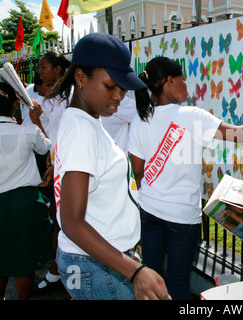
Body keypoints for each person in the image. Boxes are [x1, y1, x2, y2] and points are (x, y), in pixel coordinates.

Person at [128, 56, 243, 300]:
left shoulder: (140, 120)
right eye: (183, 79)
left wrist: (155, 192)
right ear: (170, 81)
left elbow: (138, 171)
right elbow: (241, 134)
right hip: (182, 217)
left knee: (150, 275)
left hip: (149, 211)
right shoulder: (191, 116)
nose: (186, 84)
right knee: (178, 280)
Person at [48, 33, 170, 300]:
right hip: (95, 265)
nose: (119, 96)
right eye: (110, 86)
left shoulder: (87, 120)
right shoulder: (82, 130)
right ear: (80, 77)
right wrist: (135, 271)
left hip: (100, 260)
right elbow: (71, 221)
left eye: (122, 88)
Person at [0, 82, 53, 300]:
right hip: (26, 204)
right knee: (25, 261)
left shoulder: (26, 132)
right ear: (15, 103)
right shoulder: (28, 131)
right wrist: (37, 119)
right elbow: (46, 147)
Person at [33, 51, 71, 295]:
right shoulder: (56, 99)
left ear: (58, 70)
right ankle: (60, 271)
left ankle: (61, 271)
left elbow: (62, 138)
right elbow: (52, 141)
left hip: (70, 168)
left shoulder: (70, 97)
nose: (39, 71)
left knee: (66, 222)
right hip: (58, 166)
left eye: (44, 67)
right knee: (61, 221)